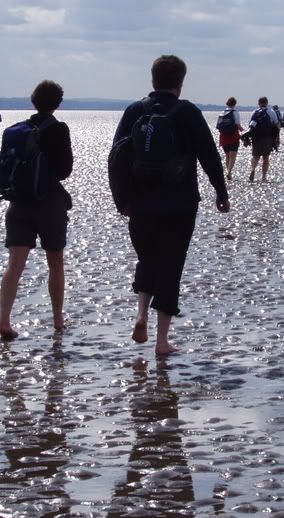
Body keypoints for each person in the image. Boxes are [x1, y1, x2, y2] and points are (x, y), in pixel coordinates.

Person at [110, 54, 230, 355]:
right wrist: (221, 192)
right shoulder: (188, 112)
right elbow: (209, 155)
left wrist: (121, 199)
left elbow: (116, 158)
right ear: (181, 83)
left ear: (153, 80)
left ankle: (140, 316)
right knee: (171, 265)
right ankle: (162, 340)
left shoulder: (135, 110)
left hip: (140, 204)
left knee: (147, 259)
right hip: (179, 204)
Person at [0, 80, 73, 340]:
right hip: (47, 202)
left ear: (34, 101)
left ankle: (4, 320)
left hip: (17, 202)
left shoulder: (16, 130)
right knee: (55, 261)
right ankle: (58, 319)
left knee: (14, 265)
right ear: (57, 103)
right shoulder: (58, 129)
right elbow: (65, 170)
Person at [248, 97, 279, 182]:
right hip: (267, 138)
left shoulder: (254, 112)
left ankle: (253, 169)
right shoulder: (271, 112)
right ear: (267, 103)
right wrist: (276, 139)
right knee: (266, 158)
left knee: (255, 157)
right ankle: (264, 176)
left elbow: (250, 125)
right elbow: (276, 125)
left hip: (256, 138)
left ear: (258, 103)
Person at [218, 97, 243, 180]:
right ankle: (229, 172)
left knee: (227, 156)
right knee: (233, 156)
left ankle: (228, 172)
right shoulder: (235, 112)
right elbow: (238, 125)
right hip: (233, 136)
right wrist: (242, 130)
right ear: (234, 104)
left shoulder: (222, 112)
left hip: (223, 137)